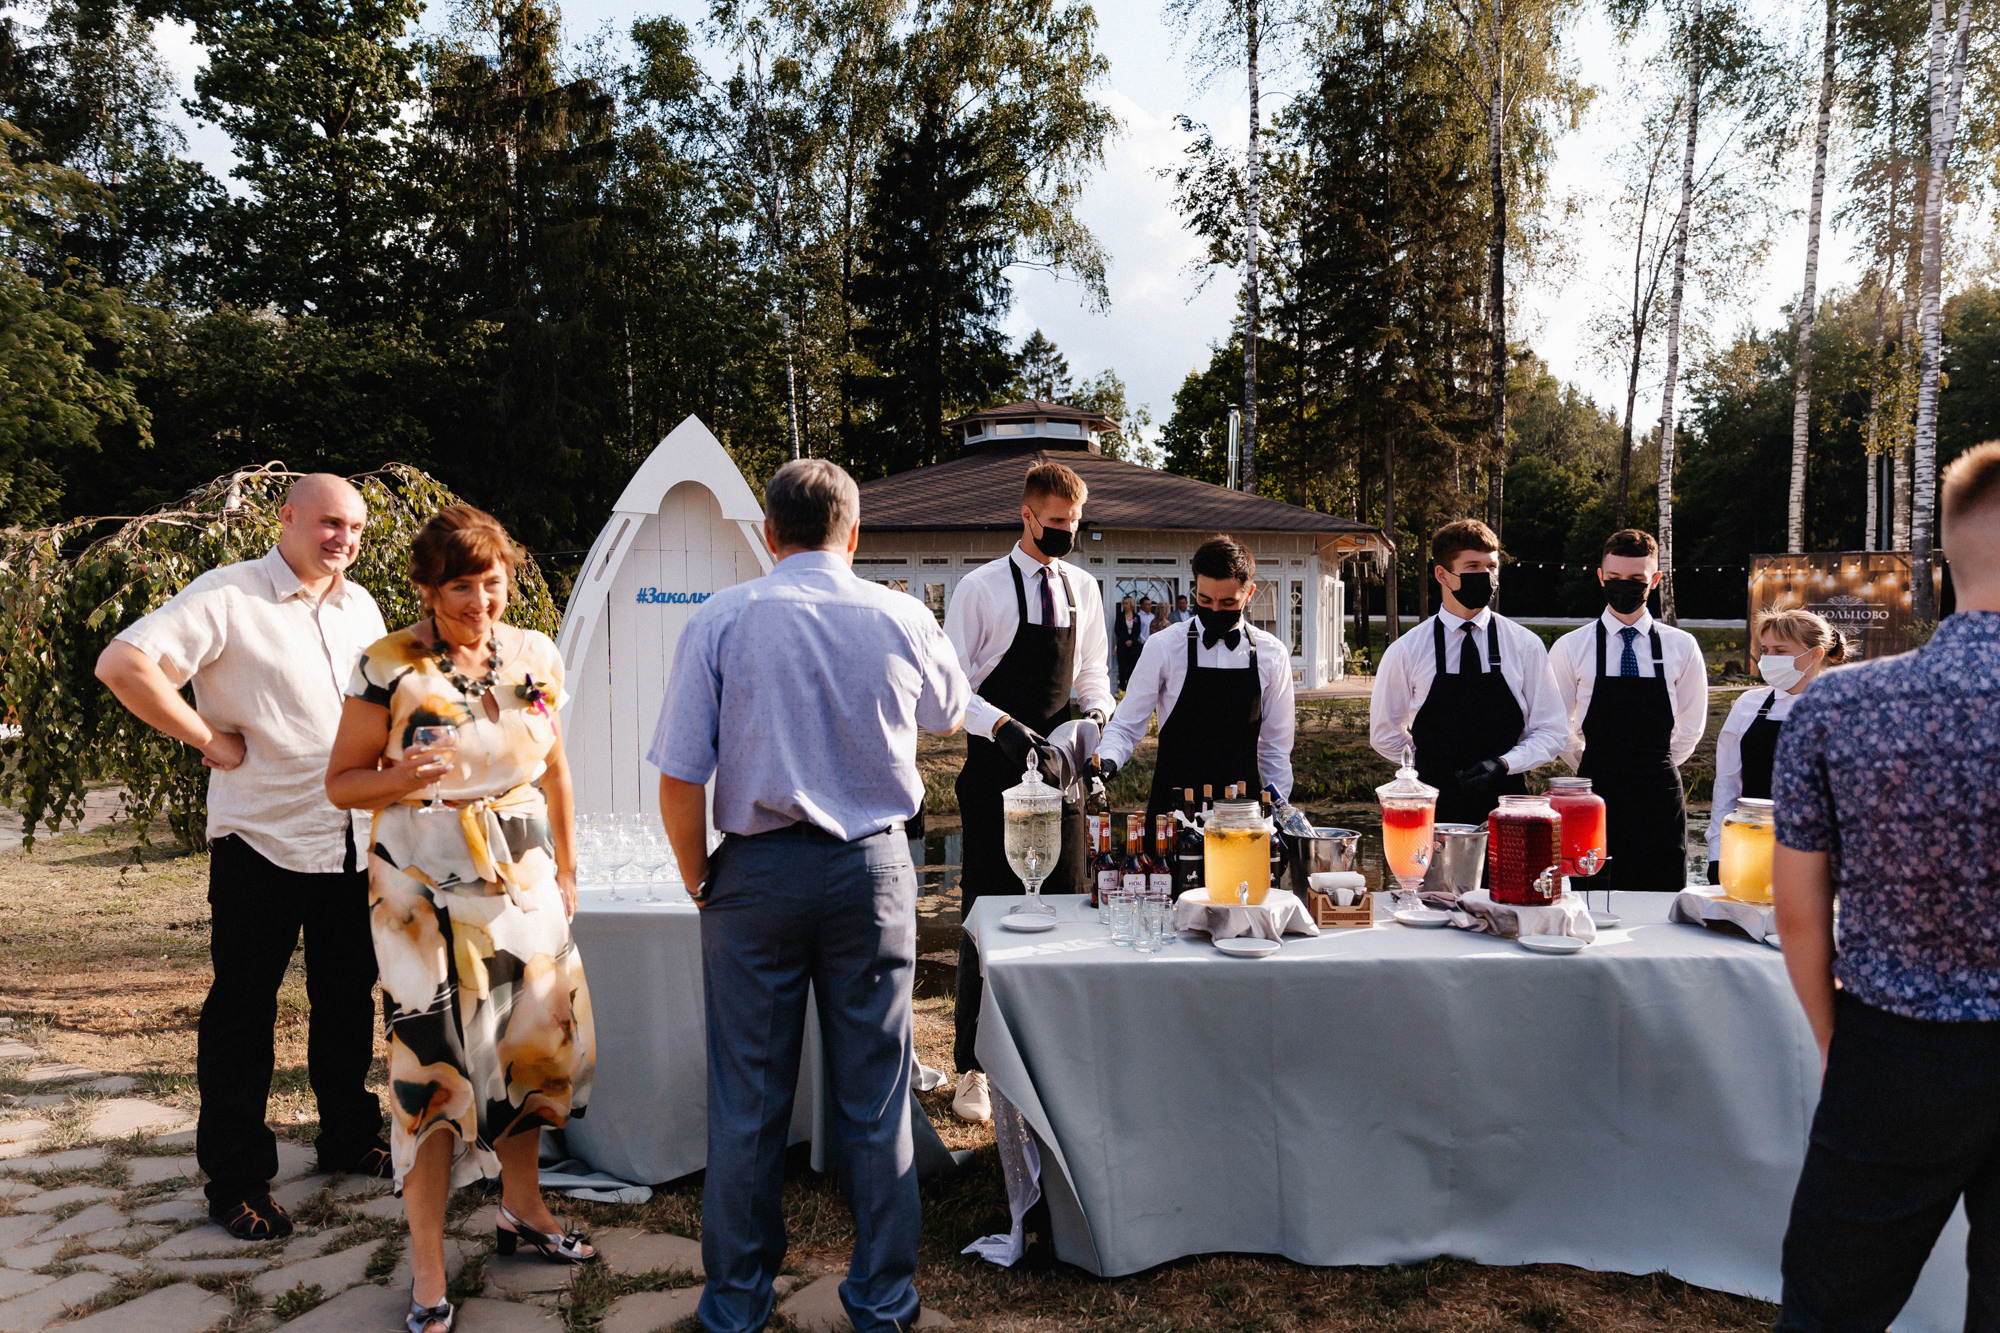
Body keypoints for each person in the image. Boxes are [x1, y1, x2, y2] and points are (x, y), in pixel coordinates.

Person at [653, 460, 969, 1333]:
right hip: (872, 869)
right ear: (854, 533)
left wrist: (696, 876)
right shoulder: (903, 614)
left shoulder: (723, 617)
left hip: (756, 871)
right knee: (875, 1091)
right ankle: (883, 1299)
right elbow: (947, 711)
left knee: (748, 1097)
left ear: (768, 533)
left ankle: (737, 1305)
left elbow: (681, 776)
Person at [94, 474, 391, 1241]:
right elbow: (123, 663)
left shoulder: (361, 605)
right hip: (261, 839)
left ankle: (349, 1134)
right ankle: (236, 1177)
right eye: (329, 523)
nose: (343, 540)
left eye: (355, 528)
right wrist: (205, 737)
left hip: (350, 838)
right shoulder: (227, 595)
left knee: (347, 997)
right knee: (244, 1012)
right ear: (286, 517)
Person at [326, 505, 596, 1333]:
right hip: (422, 897)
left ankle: (523, 1208)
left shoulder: (534, 653)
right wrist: (401, 774)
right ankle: (430, 1264)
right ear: (425, 588)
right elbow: (342, 782)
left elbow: (553, 767)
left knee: (529, 1056)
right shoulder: (387, 665)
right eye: (460, 586)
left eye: (492, 581)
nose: (482, 600)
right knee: (433, 1076)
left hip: (523, 886)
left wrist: (569, 868)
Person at [1770, 440, 2000, 1333]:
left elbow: (1798, 912)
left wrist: (1838, 1039)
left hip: (1893, 1046)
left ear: (1944, 567)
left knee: (1834, 1303)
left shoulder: (1837, 706)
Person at [941, 460, 1112, 1123]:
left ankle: (1052, 1059)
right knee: (987, 917)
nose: (1067, 532)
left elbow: (1094, 671)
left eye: (1074, 523)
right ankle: (972, 1068)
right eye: (1056, 523)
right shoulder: (980, 589)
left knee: (1065, 908)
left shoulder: (1084, 589)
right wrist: (1002, 727)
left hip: (1060, 771)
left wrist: (1095, 719)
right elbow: (951, 689)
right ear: (1026, 515)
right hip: (994, 768)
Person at [1096, 536, 1296, 849]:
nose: (1215, 610)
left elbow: (1274, 750)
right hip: (1173, 814)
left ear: (1249, 593)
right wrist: (1107, 760)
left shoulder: (1272, 655)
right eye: (1205, 601)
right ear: (1195, 590)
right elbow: (1125, 726)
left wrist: (1277, 816)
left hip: (1242, 815)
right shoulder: (1164, 647)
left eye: (1228, 603)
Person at [1368, 519, 1566, 825]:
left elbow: (1551, 731)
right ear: (1442, 574)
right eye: (1473, 566)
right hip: (1433, 809)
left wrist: (1503, 764)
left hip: (1507, 808)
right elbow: (1384, 733)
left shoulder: (1525, 645)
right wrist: (1430, 762)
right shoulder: (1407, 650)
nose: (1485, 575)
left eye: (1492, 566)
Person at [1548, 529, 1708, 892]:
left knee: (1661, 900)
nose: (1624, 587)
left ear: (1654, 580)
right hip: (1593, 794)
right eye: (1615, 578)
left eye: (1636, 580)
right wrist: (1591, 765)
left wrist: (1657, 763)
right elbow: (1559, 725)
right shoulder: (1571, 647)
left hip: (1659, 794)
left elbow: (1691, 727)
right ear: (1601, 577)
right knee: (1588, 895)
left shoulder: (1682, 647)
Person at [1704, 603, 1847, 883]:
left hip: (1818, 855)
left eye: (1780, 651)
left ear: (1815, 654)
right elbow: (1727, 785)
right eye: (1765, 650)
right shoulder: (1748, 705)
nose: (1768, 658)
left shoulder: (1843, 709)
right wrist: (1717, 852)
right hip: (1751, 848)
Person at [1114, 597, 1146, 689]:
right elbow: (1117, 630)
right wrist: (1125, 640)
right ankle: (1122, 689)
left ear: (1131, 604)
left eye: (1127, 603)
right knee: (1122, 668)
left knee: (1132, 668)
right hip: (1123, 645)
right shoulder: (1120, 616)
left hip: (1133, 646)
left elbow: (1138, 631)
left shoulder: (1136, 617)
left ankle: (1131, 689)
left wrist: (1132, 640)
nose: (1125, 605)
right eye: (1124, 603)